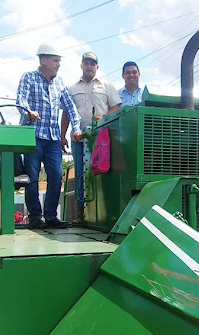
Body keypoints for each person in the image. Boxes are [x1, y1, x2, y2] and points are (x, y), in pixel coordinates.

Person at [17, 41, 83, 229]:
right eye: (55, 60)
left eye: (59, 61)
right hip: (33, 136)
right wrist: (28, 112)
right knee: (32, 176)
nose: (58, 64)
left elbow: (70, 108)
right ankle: (36, 217)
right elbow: (20, 100)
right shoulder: (28, 78)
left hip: (53, 139)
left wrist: (76, 128)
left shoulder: (60, 83)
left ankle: (51, 216)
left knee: (56, 175)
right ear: (43, 60)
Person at [61, 51, 121, 225]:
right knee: (80, 173)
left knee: (103, 172)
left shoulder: (106, 86)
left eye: (92, 64)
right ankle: (81, 212)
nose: (89, 66)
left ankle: (107, 213)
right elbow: (65, 113)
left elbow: (116, 106)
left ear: (97, 67)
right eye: (86, 63)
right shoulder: (72, 89)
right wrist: (62, 136)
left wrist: (103, 119)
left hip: (101, 138)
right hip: (79, 137)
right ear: (81, 66)